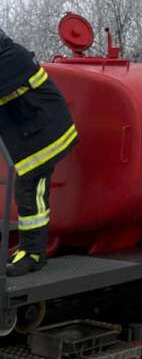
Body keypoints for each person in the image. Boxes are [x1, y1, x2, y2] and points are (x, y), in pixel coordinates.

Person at [0, 29, 78, 275]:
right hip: (32, 132)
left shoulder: (11, 59)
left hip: (45, 133)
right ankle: (30, 249)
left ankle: (33, 253)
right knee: (28, 188)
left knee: (30, 189)